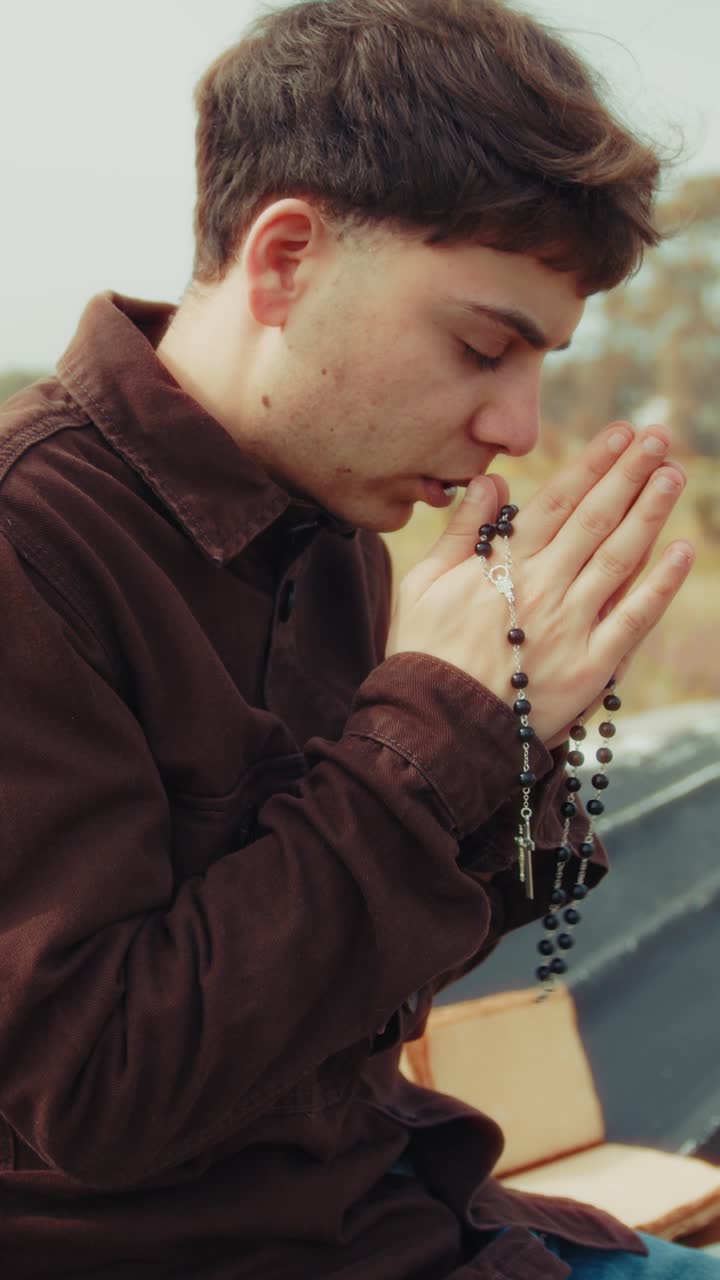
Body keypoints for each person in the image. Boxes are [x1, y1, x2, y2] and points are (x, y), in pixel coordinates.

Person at [0, 0, 711, 1276]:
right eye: (485, 345)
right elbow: (99, 1091)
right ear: (285, 260)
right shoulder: (29, 552)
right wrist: (434, 723)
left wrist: (526, 728)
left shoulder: (337, 539)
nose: (517, 425)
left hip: (413, 1212)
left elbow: (369, 963)